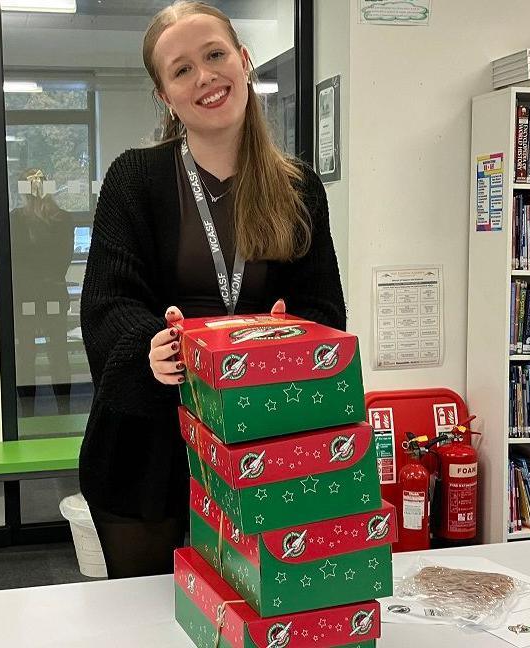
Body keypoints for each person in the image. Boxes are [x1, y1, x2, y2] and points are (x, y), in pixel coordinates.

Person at [78, 0, 346, 578]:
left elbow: (325, 310)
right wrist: (149, 346)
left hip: (264, 444)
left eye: (215, 55)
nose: (205, 77)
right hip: (148, 450)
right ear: (165, 96)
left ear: (244, 60)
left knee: (258, 608)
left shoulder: (299, 188)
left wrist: (290, 335)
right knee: (147, 620)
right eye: (181, 70)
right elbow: (107, 303)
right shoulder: (134, 179)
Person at [10, 168, 75, 416]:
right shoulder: (63, 218)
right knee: (58, 353)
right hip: (52, 293)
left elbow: (15, 261)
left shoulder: (15, 218)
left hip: (25, 295)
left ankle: (26, 414)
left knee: (26, 354)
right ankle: (65, 410)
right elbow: (64, 259)